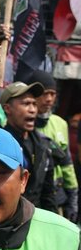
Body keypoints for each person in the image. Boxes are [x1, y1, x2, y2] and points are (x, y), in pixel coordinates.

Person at [0, 66, 57, 213]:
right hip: (6, 221)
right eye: (26, 104)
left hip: (35, 221)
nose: (33, 109)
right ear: (7, 109)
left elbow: (48, 193)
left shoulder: (43, 145)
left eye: (34, 103)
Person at [28, 70, 79, 221]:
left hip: (56, 196)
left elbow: (67, 164)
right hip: (31, 197)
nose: (49, 99)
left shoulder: (60, 123)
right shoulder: (23, 123)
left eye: (53, 94)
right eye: (44, 94)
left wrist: (72, 198)